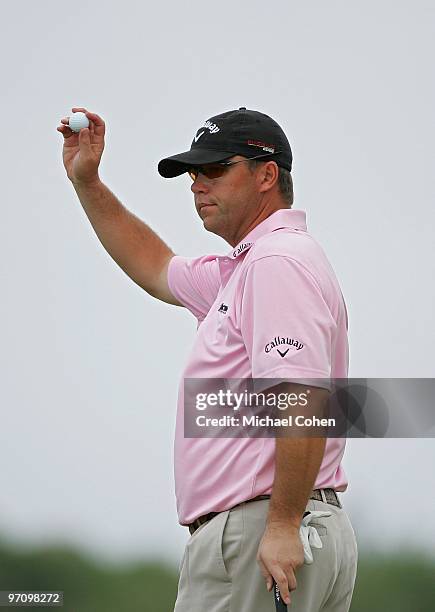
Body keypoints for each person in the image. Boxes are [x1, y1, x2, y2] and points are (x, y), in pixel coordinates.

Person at [57, 106, 358, 611]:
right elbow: (154, 265)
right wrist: (88, 183)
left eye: (215, 169)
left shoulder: (275, 263)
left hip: (266, 528)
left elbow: (303, 400)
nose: (198, 184)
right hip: (283, 524)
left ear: (267, 175)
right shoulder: (244, 269)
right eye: (194, 173)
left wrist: (282, 525)